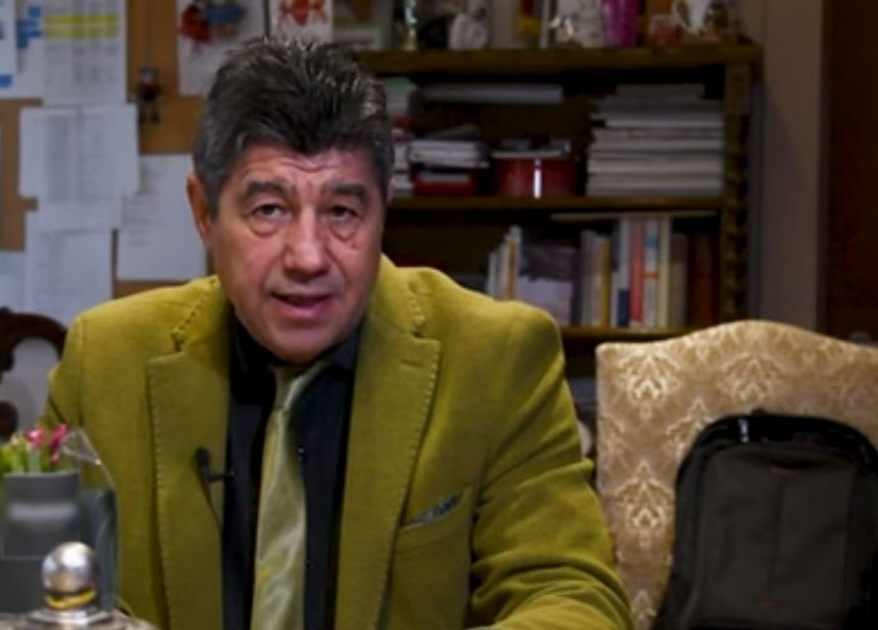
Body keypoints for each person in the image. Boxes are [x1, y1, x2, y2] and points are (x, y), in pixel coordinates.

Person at [39, 37, 630, 630]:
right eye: (269, 210)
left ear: (383, 210)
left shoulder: (497, 359)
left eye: (342, 212)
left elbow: (573, 599)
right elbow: (26, 591)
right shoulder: (104, 362)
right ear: (203, 211)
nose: (308, 257)